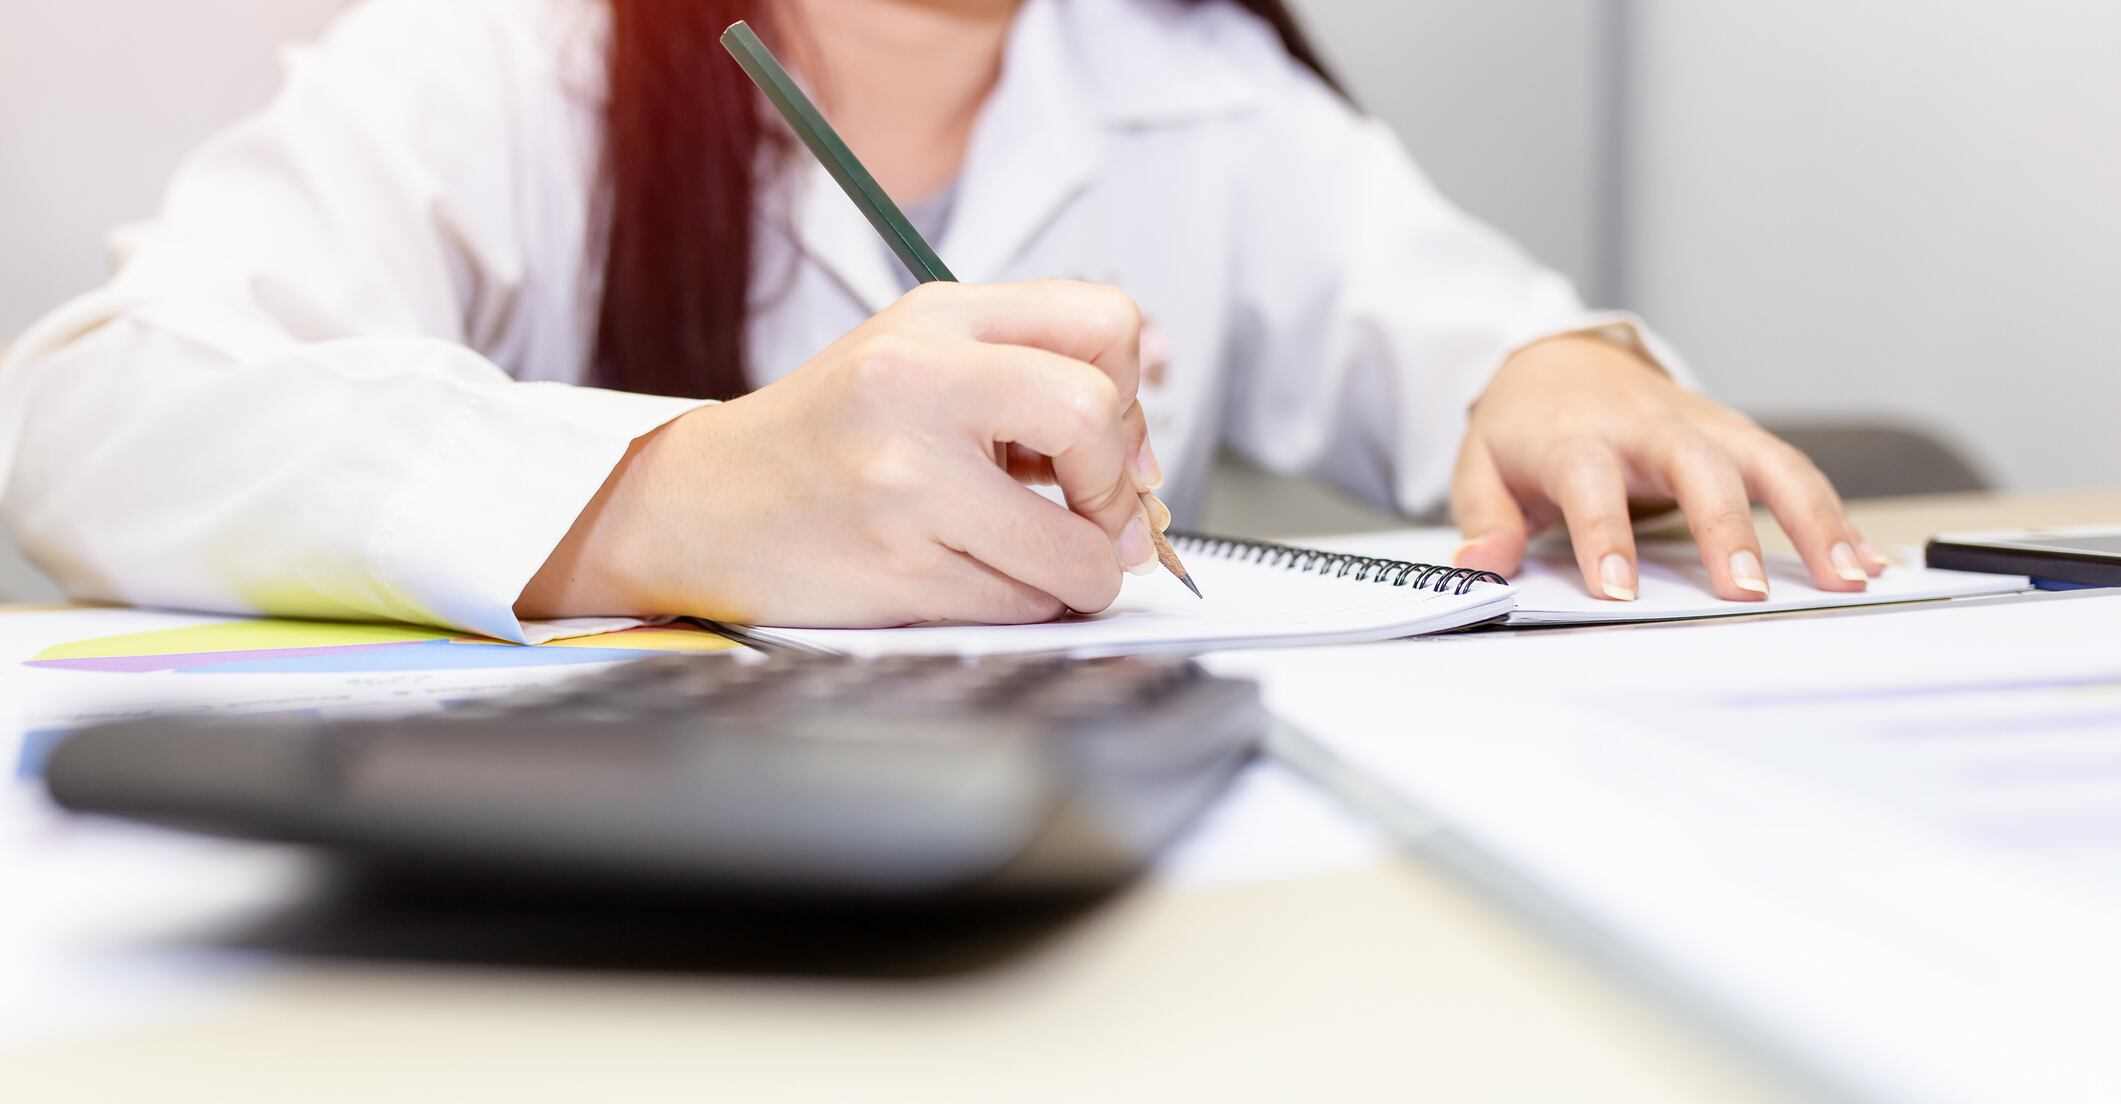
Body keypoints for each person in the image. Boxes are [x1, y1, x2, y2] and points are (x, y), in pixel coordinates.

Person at [0, 0, 1885, 643]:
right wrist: (663, 497)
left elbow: (1481, 343)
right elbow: (87, 408)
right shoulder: (510, 53)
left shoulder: (1199, 86)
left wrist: (1563, 371)